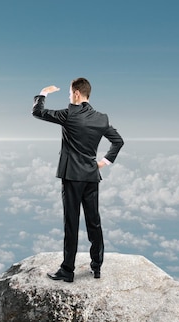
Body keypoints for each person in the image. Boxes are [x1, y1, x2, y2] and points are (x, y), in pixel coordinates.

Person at [32, 77, 124, 282]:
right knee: (94, 222)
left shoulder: (69, 115)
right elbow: (118, 141)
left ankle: (67, 270)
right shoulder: (101, 118)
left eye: (69, 93)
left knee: (71, 223)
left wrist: (44, 92)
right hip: (91, 175)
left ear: (75, 93)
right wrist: (104, 162)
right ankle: (97, 266)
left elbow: (37, 112)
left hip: (72, 176)